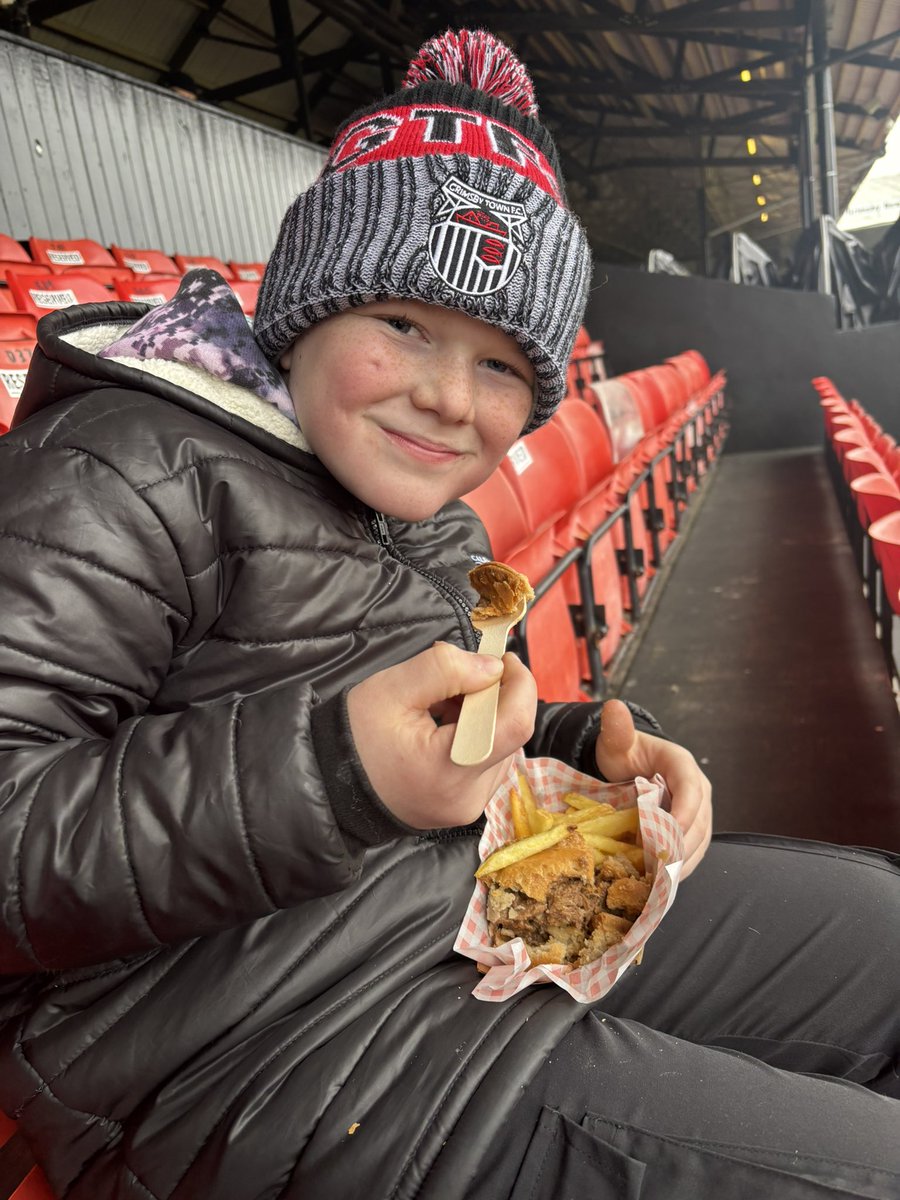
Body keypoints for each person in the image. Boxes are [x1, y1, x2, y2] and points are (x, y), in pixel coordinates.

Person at [0, 27, 897, 1200]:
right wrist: (331, 769)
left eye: (498, 365)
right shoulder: (121, 471)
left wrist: (580, 741)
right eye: (405, 326)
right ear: (305, 306)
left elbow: (443, 726)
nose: (443, 396)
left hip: (479, 909)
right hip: (260, 1061)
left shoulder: (429, 509)